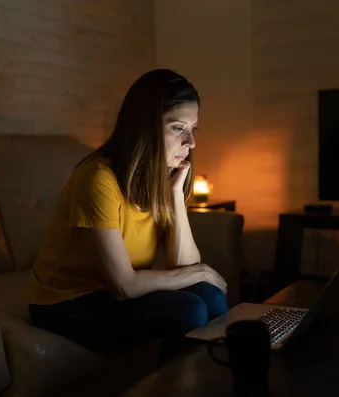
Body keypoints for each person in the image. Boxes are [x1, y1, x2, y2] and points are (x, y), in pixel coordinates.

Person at [28, 69, 228, 356]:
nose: (191, 143)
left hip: (110, 294)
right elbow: (124, 285)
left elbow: (182, 265)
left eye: (193, 129)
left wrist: (173, 196)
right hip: (64, 302)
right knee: (190, 308)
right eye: (177, 128)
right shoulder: (98, 178)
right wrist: (201, 271)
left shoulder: (165, 178)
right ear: (144, 126)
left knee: (210, 295)